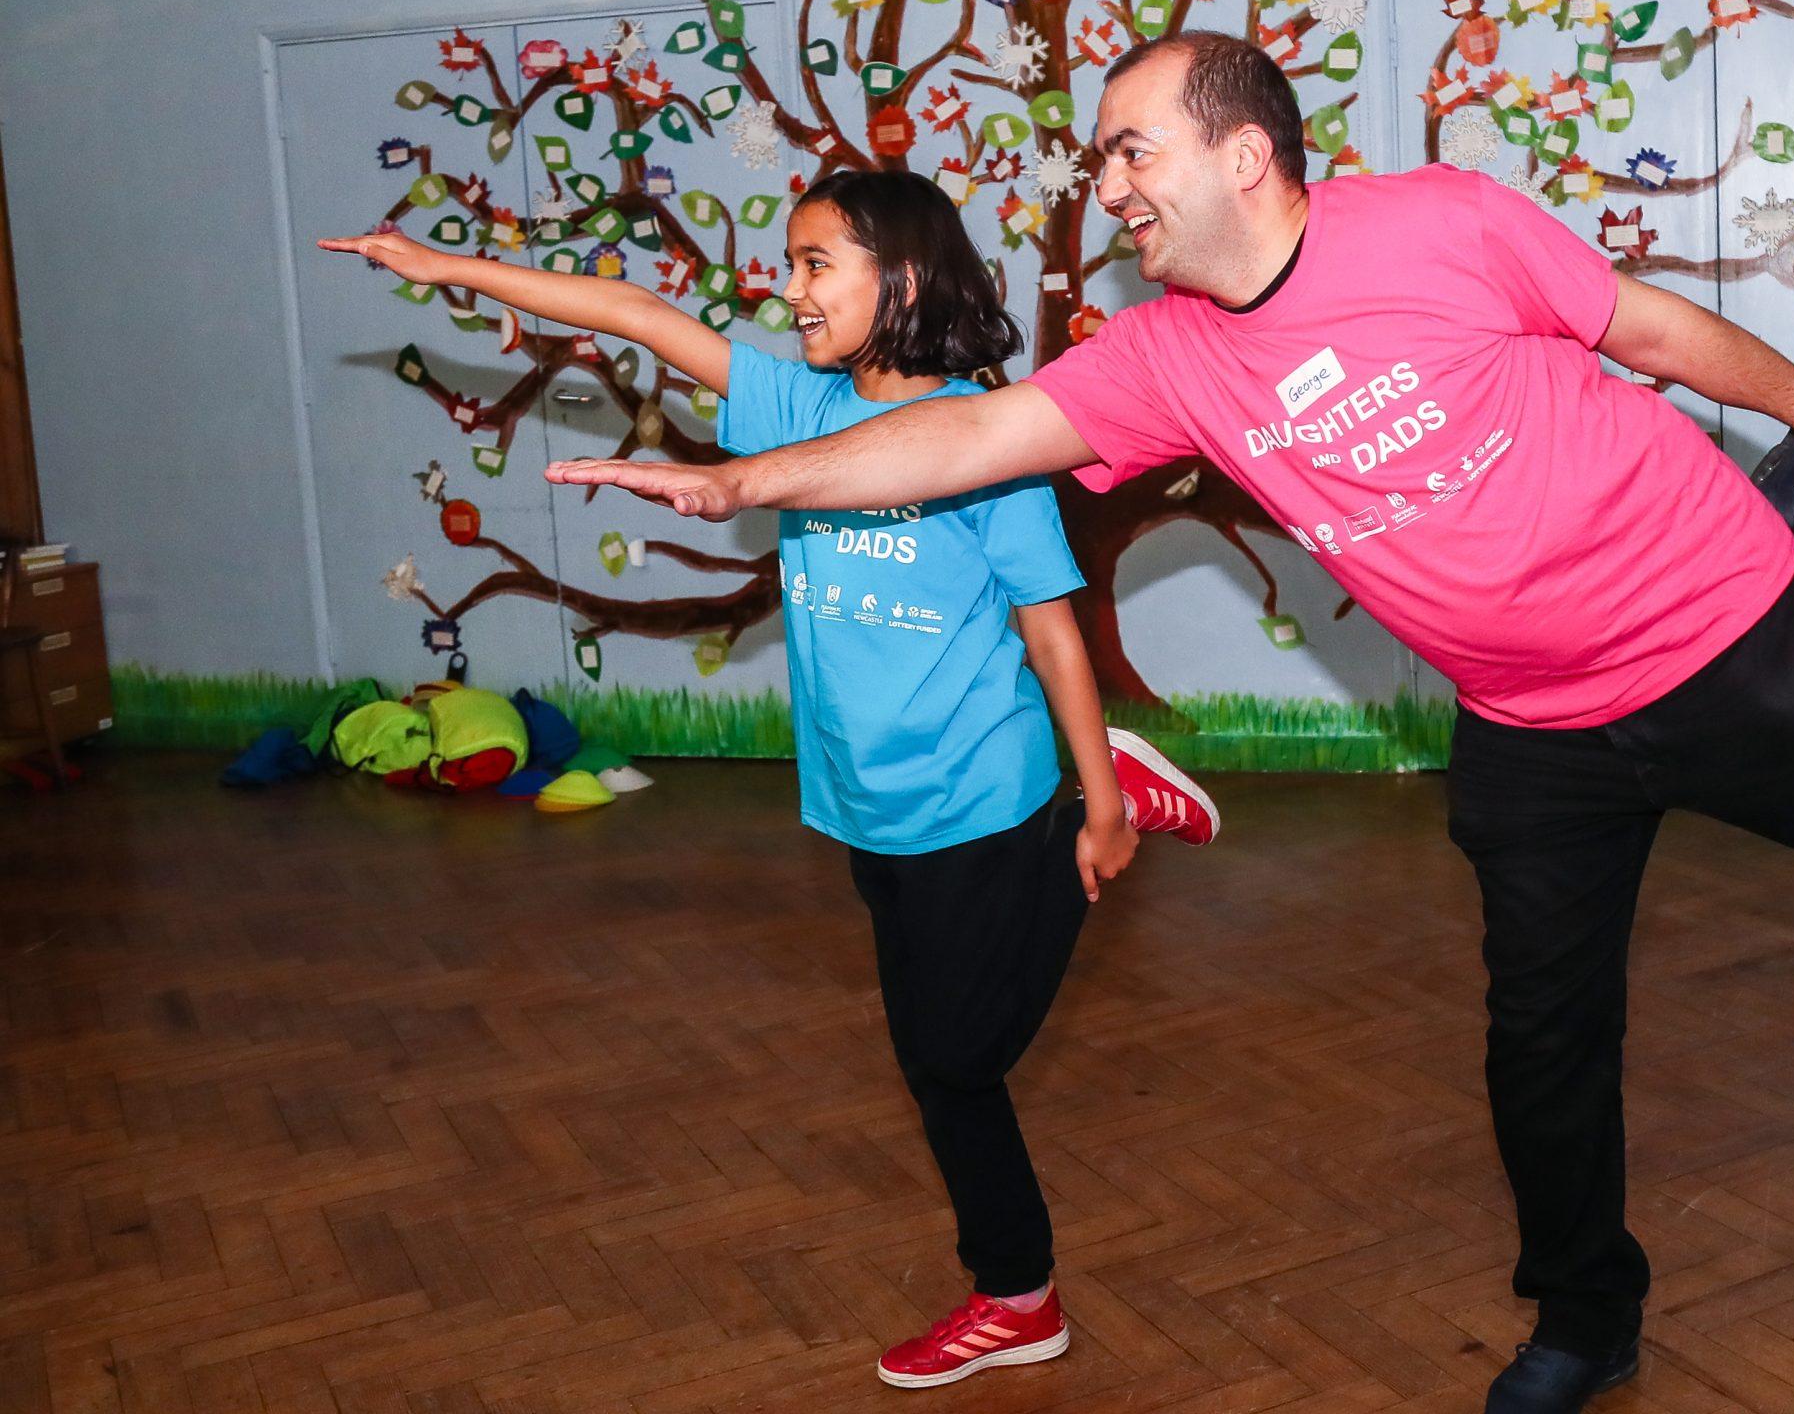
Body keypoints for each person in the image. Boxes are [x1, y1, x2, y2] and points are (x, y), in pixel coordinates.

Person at [547, 36, 1794, 1414]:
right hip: (1533, 725)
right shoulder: (1165, 357)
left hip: (1718, 624)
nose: (1104, 184)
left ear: (1244, 155)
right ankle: (1583, 1318)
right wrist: (755, 482)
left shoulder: (1438, 224)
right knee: (1542, 1037)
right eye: (1099, 159)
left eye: (1130, 151)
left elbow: (1656, 331)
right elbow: (975, 434)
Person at [324, 168, 1225, 1390]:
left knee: (957, 1059)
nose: (784, 288)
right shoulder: (792, 404)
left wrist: (1104, 809)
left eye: (815, 265)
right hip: (863, 799)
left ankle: (1095, 784)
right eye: (787, 262)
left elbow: (1052, 628)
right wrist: (447, 268)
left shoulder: (985, 441)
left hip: (986, 792)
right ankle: (1021, 1297)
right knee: (934, 1063)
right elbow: (630, 312)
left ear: (898, 277)